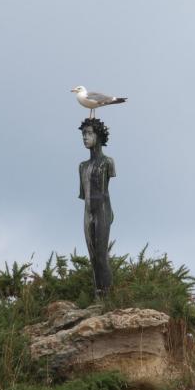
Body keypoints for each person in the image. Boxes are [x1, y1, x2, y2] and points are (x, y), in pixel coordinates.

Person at [78, 118, 116, 293]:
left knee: (101, 256)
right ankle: (97, 294)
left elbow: (105, 189)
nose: (85, 137)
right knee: (93, 257)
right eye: (83, 134)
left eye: (89, 133)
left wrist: (108, 215)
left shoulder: (107, 162)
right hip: (87, 213)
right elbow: (83, 194)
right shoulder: (82, 166)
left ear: (98, 136)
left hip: (102, 211)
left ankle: (107, 294)